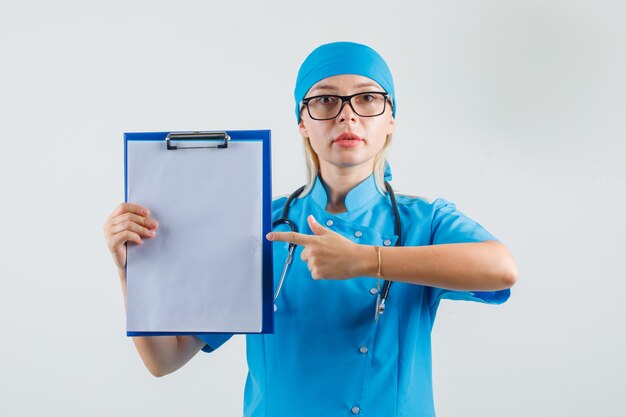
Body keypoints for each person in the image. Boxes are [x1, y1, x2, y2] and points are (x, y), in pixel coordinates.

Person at [103, 41, 518, 417]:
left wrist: (365, 260)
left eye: (368, 98)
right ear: (303, 122)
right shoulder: (258, 226)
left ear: (390, 119)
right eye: (325, 101)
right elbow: (164, 359)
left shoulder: (423, 222)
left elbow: (500, 268)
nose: (347, 114)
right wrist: (130, 269)